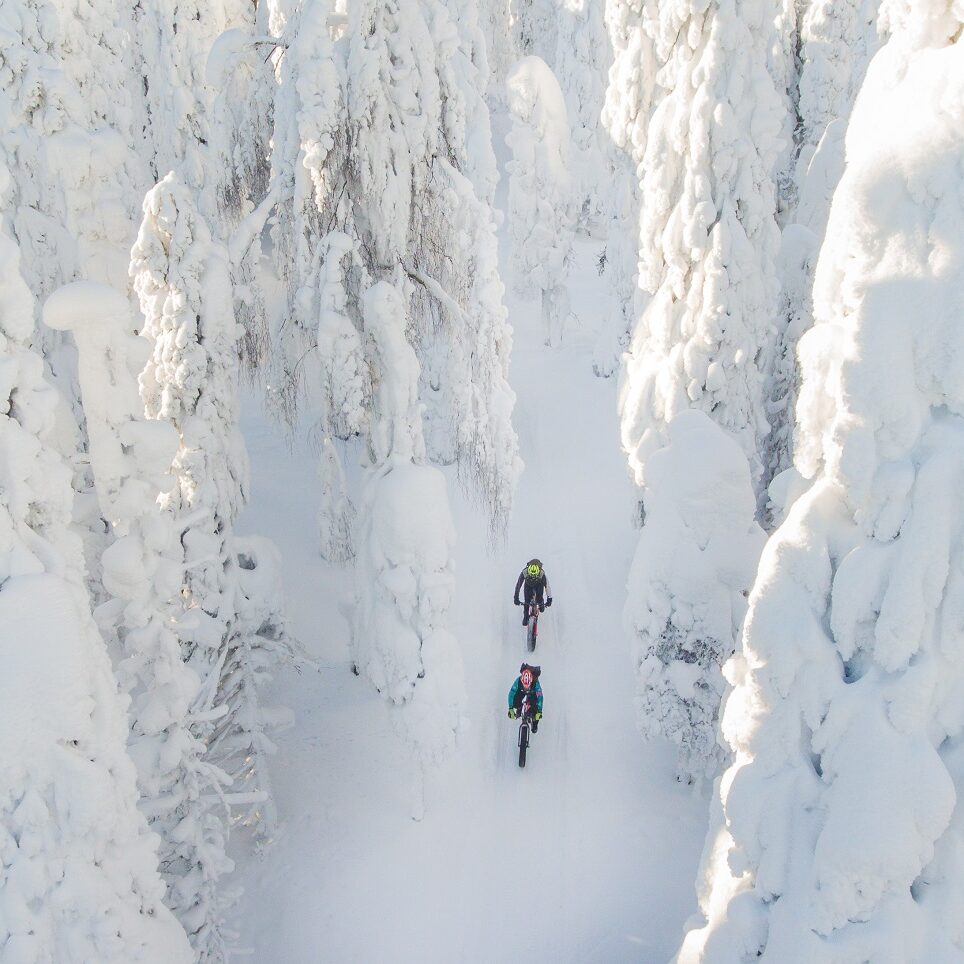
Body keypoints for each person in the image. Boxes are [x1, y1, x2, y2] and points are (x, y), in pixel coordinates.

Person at [513, 558, 553, 626]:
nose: (533, 577)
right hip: (528, 585)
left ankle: (541, 603)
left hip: (539, 584)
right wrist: (516, 597)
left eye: (535, 575)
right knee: (527, 601)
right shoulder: (524, 572)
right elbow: (518, 585)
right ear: (529, 572)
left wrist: (549, 598)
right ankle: (525, 616)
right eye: (532, 575)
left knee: (539, 598)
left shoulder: (541, 573)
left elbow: (547, 586)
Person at [507, 663, 543, 732]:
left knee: (535, 708)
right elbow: (511, 694)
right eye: (524, 685)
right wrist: (510, 708)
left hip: (532, 693)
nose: (526, 687)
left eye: (527, 685)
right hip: (521, 691)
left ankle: (535, 724)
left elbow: (540, 697)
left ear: (531, 681)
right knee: (515, 700)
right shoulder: (518, 681)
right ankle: (519, 707)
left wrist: (539, 711)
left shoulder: (536, 684)